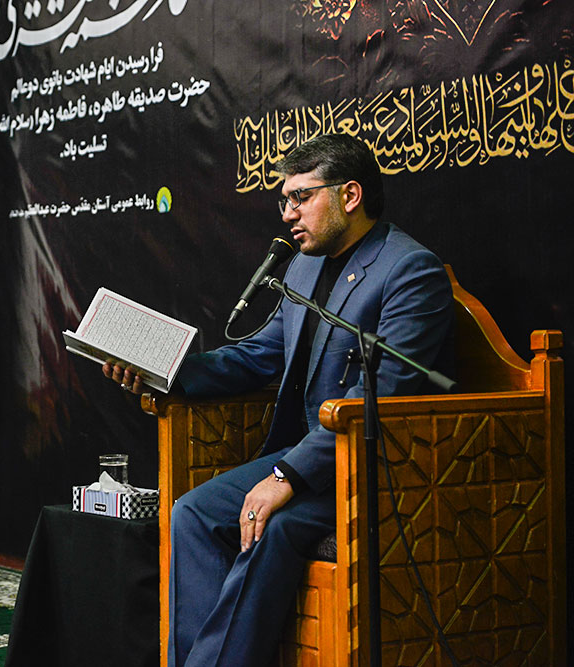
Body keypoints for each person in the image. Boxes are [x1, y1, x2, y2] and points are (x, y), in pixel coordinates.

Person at [104, 133, 454, 665]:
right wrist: (166, 374)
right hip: (309, 458)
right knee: (192, 513)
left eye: (301, 197)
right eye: (284, 200)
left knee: (273, 524)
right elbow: (258, 356)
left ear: (350, 195)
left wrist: (285, 478)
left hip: (373, 465)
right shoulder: (304, 266)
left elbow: (381, 395)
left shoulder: (409, 270)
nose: (288, 213)